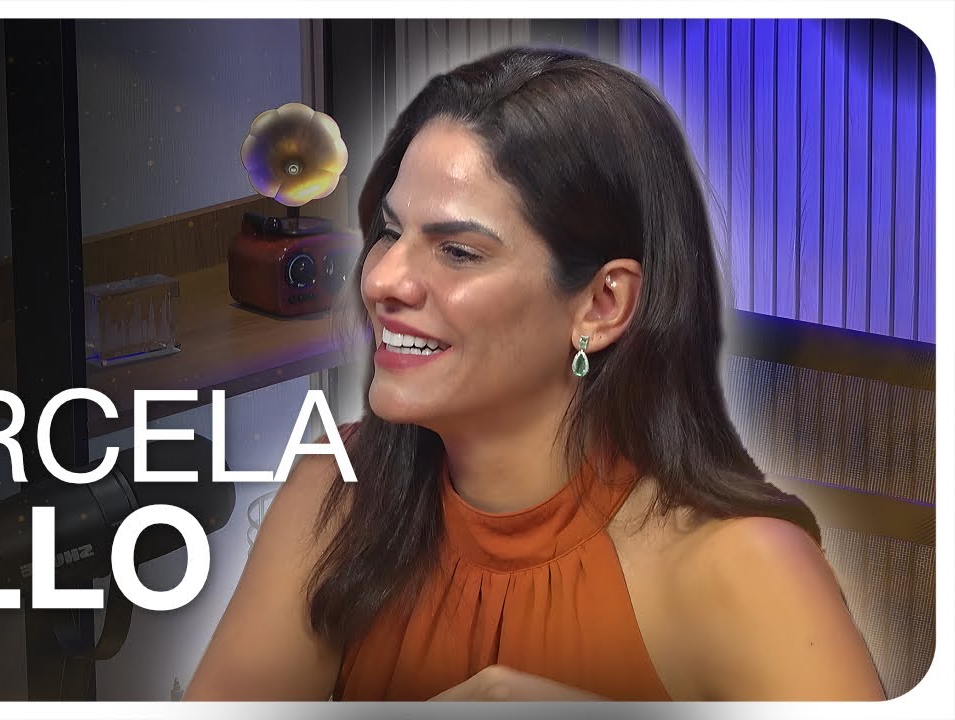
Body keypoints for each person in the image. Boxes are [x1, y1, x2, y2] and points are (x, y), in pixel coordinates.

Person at [185, 47, 884, 701]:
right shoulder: (334, 492)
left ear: (602, 304)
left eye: (458, 252)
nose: (383, 280)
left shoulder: (749, 568)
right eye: (391, 234)